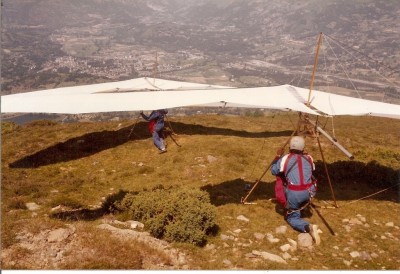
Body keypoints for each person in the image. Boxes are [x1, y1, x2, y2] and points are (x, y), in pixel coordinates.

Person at [271, 136, 320, 245]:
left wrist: (278, 156)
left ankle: (307, 227)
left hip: (295, 194)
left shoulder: (286, 158)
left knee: (291, 217)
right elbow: (311, 170)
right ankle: (302, 205)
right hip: (309, 192)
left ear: (290, 147)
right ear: (303, 147)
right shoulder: (309, 158)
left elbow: (274, 171)